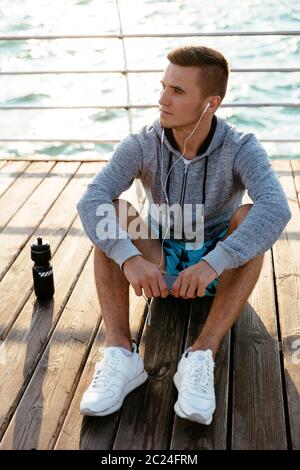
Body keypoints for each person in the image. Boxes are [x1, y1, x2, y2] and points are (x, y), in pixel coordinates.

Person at [77, 45, 291, 425]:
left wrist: (216, 261)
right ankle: (120, 355)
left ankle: (200, 357)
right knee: (113, 211)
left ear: (210, 103)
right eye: (163, 86)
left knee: (251, 217)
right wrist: (129, 258)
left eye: (177, 91)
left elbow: (277, 208)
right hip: (155, 262)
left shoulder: (241, 147)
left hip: (215, 270)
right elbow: (91, 196)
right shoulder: (141, 143)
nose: (162, 100)